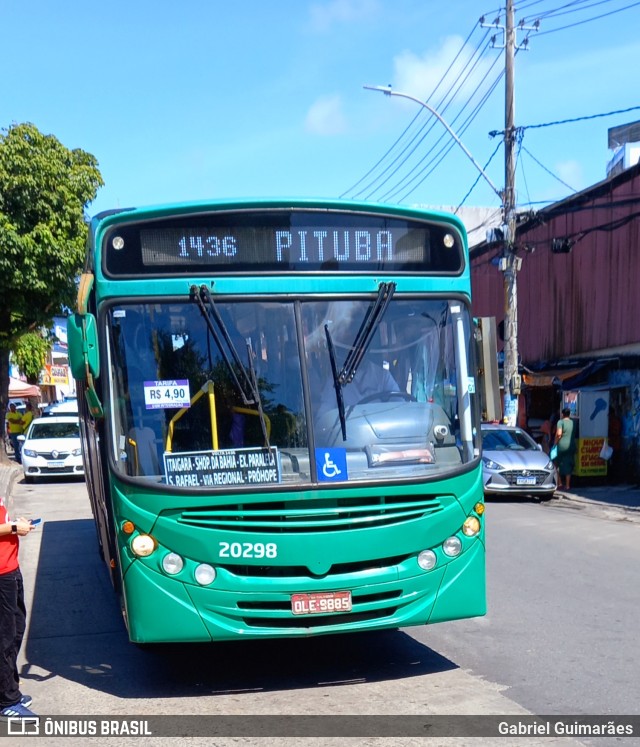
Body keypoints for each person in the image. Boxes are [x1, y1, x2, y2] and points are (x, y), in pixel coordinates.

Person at [0, 496, 36, 719]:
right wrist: (13, 527)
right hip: (1, 575)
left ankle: (9, 689)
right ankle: (7, 701)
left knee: (16, 630)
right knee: (5, 636)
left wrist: (15, 523)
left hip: (10, 569)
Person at [553, 408, 576, 490]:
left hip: (561, 446)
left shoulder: (560, 422)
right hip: (572, 446)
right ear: (569, 414)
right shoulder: (573, 422)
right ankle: (567, 485)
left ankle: (559, 483)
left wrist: (554, 444)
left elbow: (559, 434)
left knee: (555, 464)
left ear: (562, 414)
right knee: (568, 465)